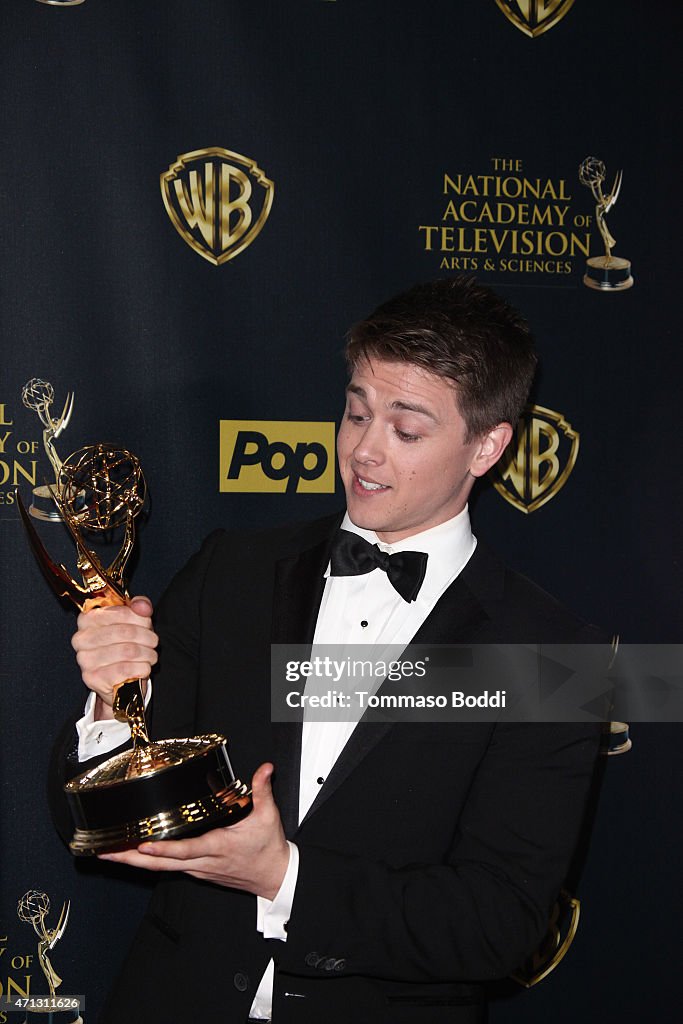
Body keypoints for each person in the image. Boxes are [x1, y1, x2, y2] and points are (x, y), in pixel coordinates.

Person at [54, 277, 602, 1024]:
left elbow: (497, 925)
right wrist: (115, 699)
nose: (363, 452)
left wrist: (283, 876)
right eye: (354, 413)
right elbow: (82, 819)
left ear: (487, 446)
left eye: (406, 431)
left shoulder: (550, 654)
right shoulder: (233, 572)